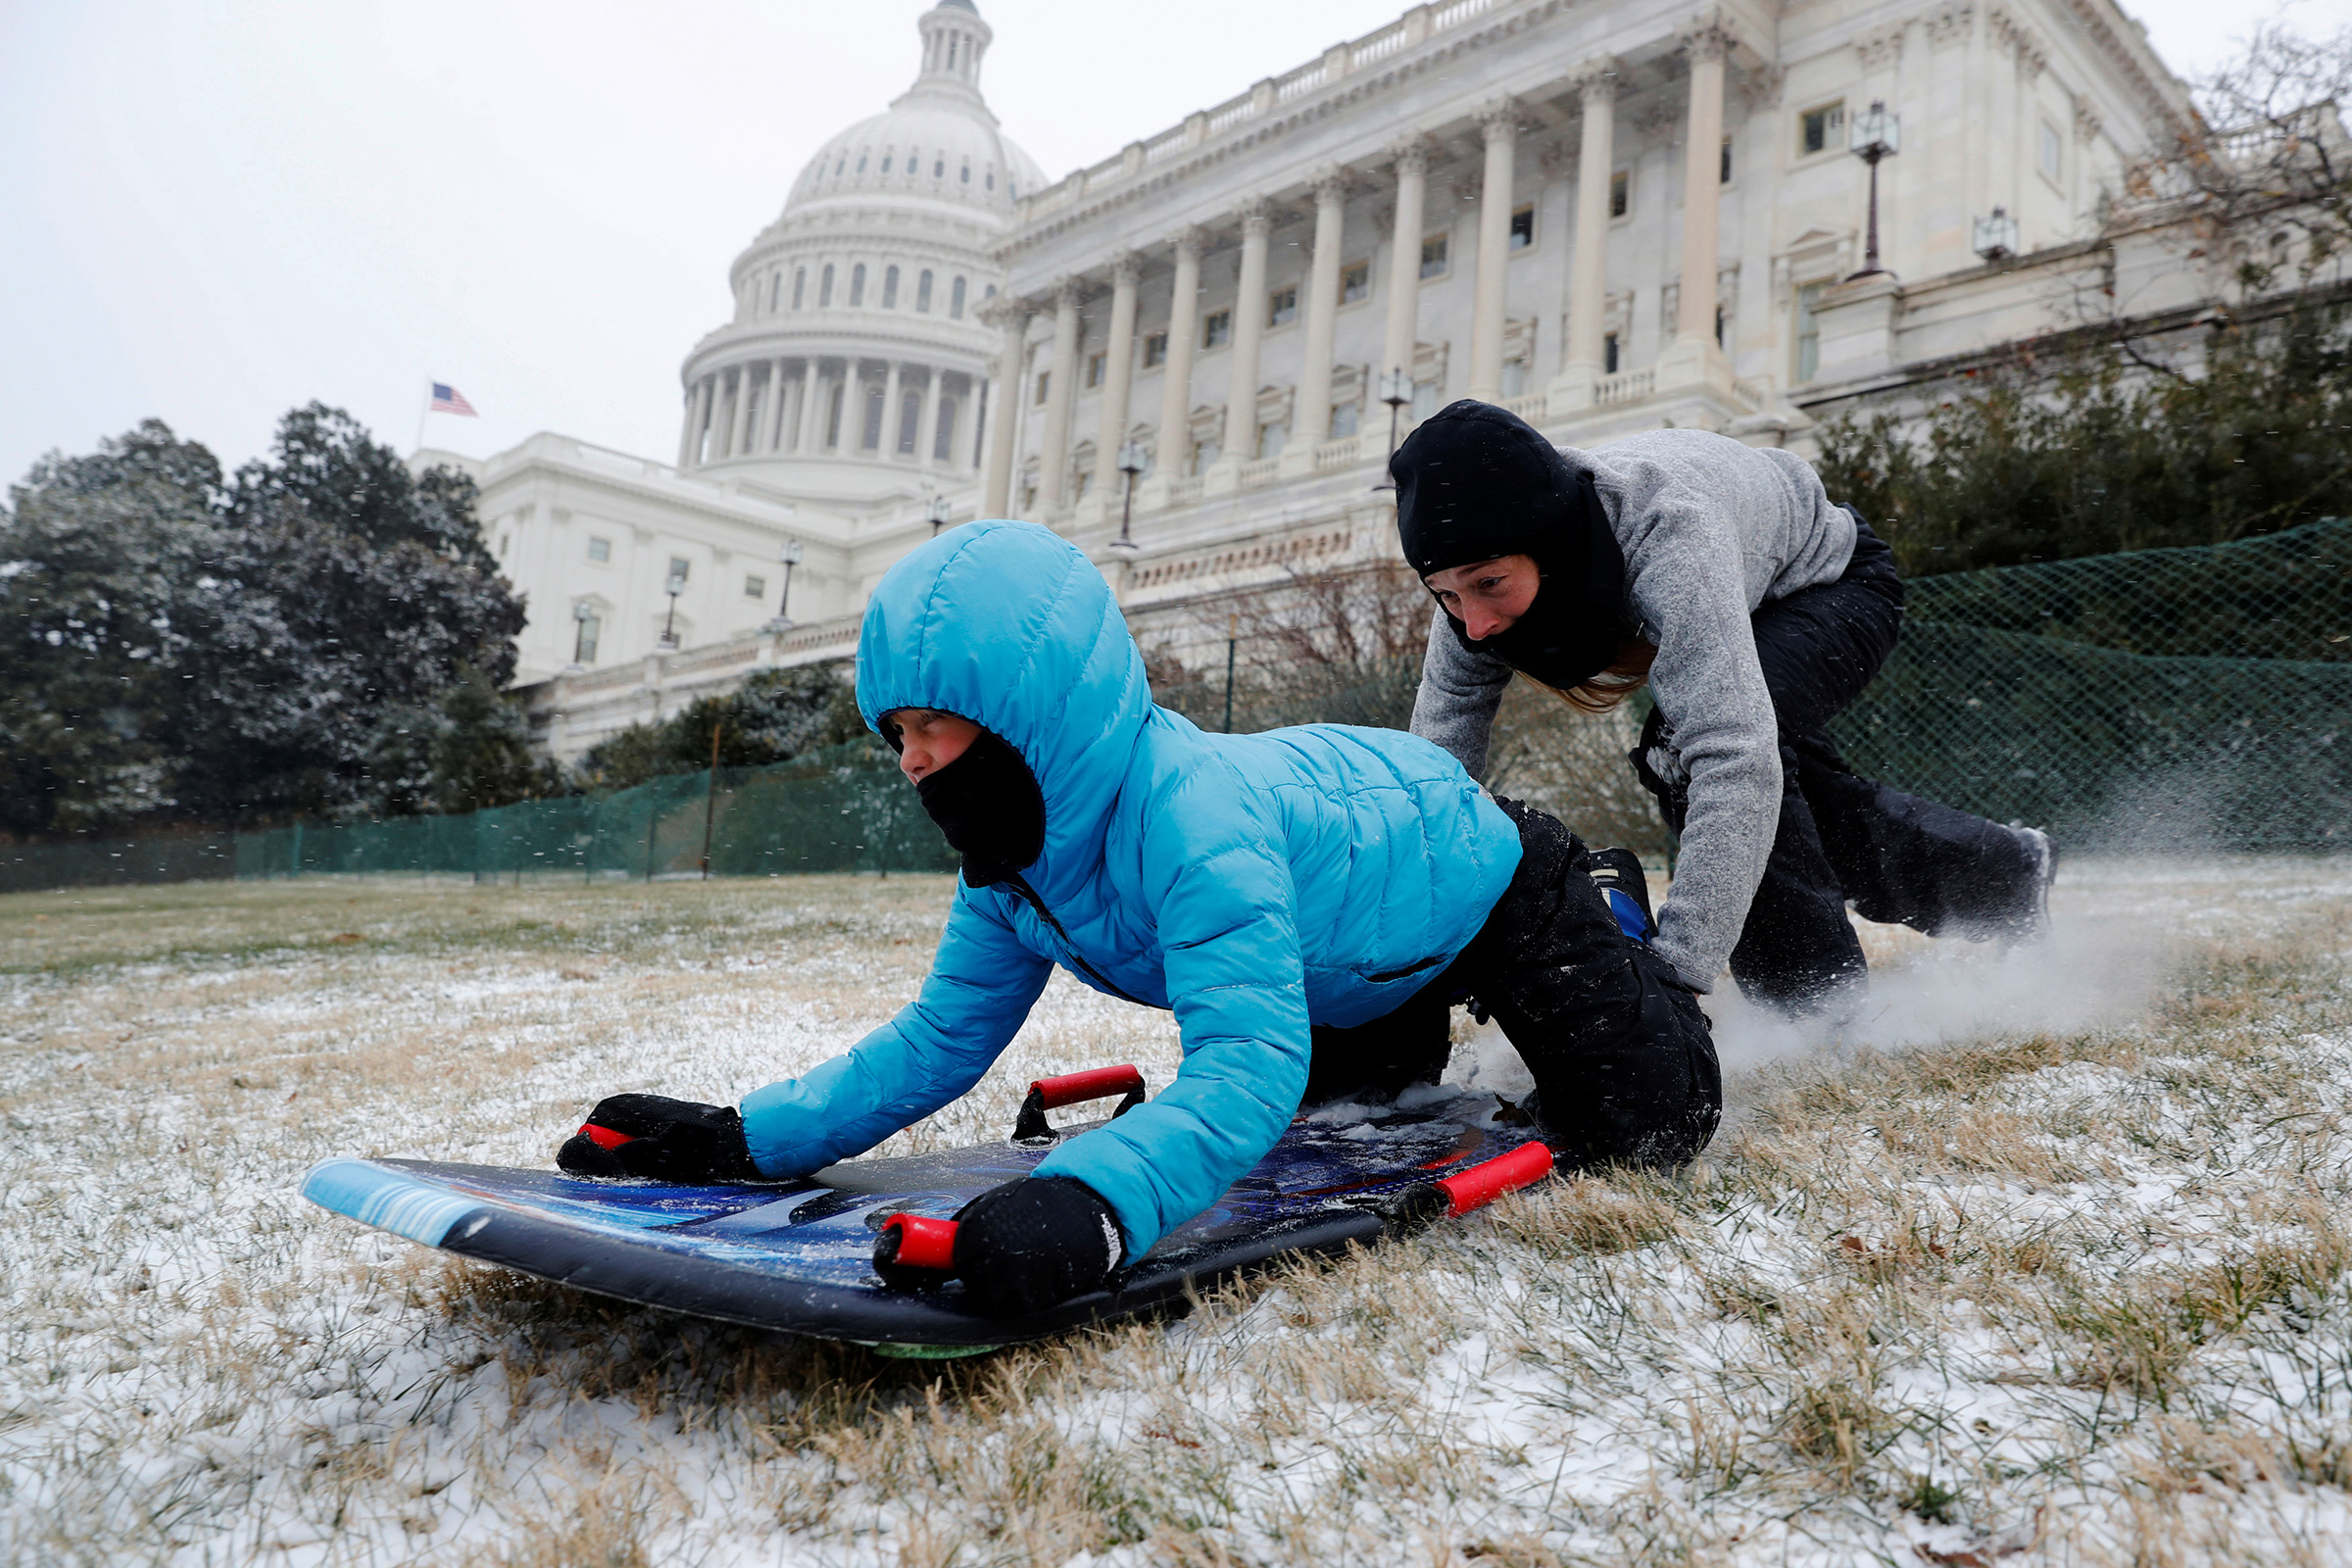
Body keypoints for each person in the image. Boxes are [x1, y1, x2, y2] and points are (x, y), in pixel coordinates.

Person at [557, 519, 1718, 1317]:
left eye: (928, 729)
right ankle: (1421, 1017)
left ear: (1026, 711)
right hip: (1346, 963)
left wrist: (1097, 1203)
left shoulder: (1189, 820)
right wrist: (744, 1139)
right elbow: (938, 1041)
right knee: (1359, 1119)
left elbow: (1242, 1070)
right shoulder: (1011, 870)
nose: (909, 765)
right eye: (894, 735)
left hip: (1481, 880)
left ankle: (1608, 902)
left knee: (1655, 1122)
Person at [1395, 400, 2055, 1020]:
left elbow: (1733, 759)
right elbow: (1437, 771)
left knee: (1691, 753)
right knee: (1808, 810)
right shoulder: (1466, 570)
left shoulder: (1666, 533)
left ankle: (1813, 1009)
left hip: (1829, 586)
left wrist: (1675, 971)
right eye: (1446, 595)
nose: (1473, 622)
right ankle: (2004, 878)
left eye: (1489, 586)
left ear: (1551, 542)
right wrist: (1423, 938)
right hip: (1742, 585)